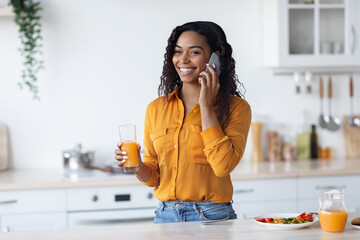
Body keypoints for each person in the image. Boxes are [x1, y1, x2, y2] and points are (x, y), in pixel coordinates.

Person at [115, 21, 251, 223]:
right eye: (178, 52)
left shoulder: (236, 108)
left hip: (212, 217)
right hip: (165, 216)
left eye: (194, 52)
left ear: (215, 58)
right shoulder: (156, 109)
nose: (183, 60)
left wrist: (206, 106)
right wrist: (137, 166)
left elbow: (223, 166)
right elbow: (153, 178)